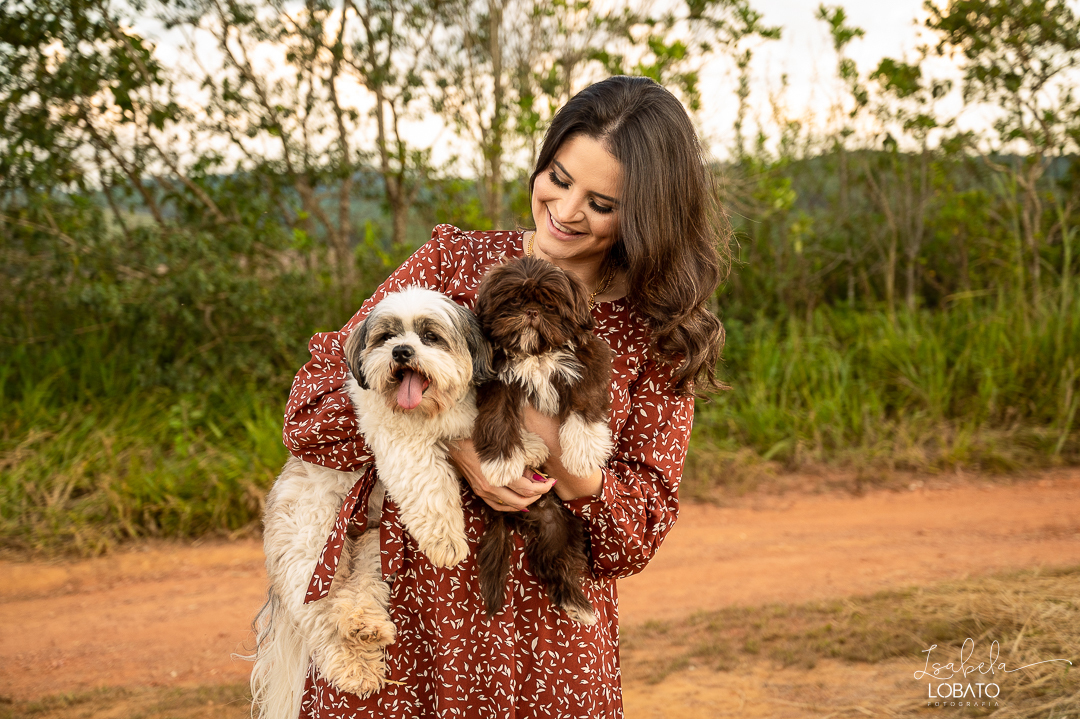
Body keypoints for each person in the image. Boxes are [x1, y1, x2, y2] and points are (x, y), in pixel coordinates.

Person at [282, 75, 730, 718]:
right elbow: (314, 409)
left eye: (602, 203)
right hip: (410, 617)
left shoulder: (654, 330)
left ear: (646, 216)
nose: (566, 209)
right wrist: (459, 439)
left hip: (547, 639)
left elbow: (637, 534)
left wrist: (558, 458)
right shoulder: (451, 266)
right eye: (558, 175)